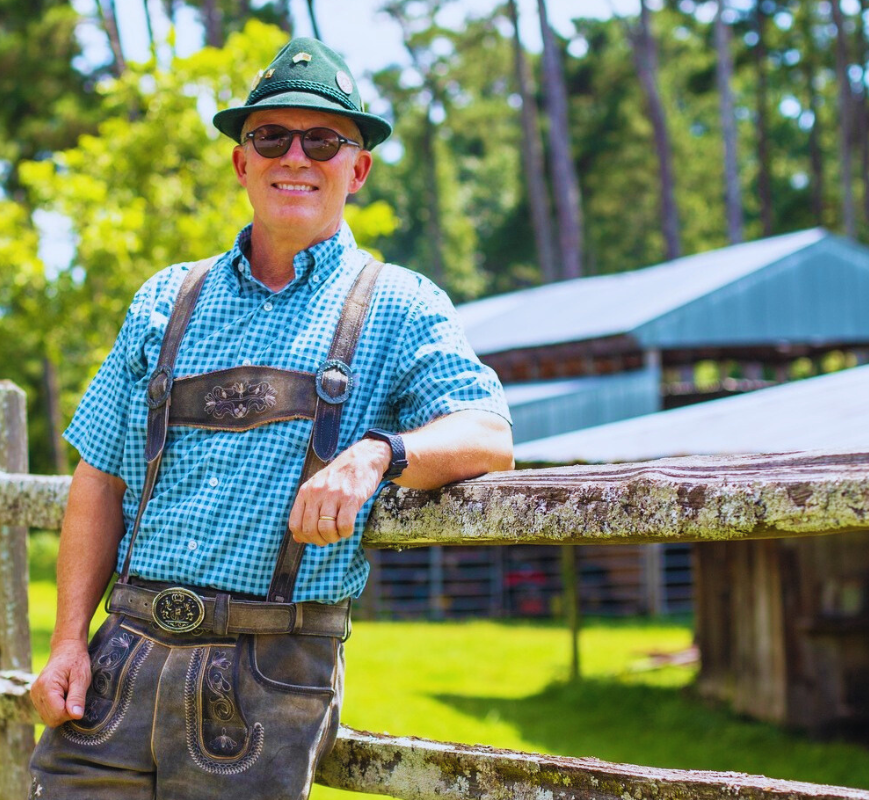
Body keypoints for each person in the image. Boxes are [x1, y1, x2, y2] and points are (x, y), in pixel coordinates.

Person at [27, 36, 513, 800]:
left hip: (269, 674)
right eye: (271, 136)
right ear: (240, 161)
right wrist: (67, 642)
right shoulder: (165, 299)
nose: (295, 157)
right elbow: (100, 476)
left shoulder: (400, 304)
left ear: (358, 169)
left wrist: (375, 456)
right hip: (119, 658)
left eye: (322, 140)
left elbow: (489, 434)